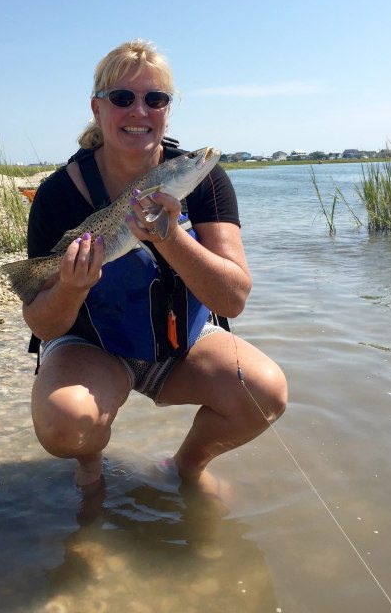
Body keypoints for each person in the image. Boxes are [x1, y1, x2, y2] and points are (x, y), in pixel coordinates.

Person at [23, 39, 287, 493]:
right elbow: (42, 324)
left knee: (264, 391)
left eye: (155, 99)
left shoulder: (206, 182)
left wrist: (171, 237)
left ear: (167, 110)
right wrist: (70, 287)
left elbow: (233, 299)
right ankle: (90, 465)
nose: (139, 111)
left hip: (181, 340)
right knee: (66, 422)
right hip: (92, 345)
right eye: (123, 98)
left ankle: (184, 468)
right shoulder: (57, 193)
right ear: (97, 108)